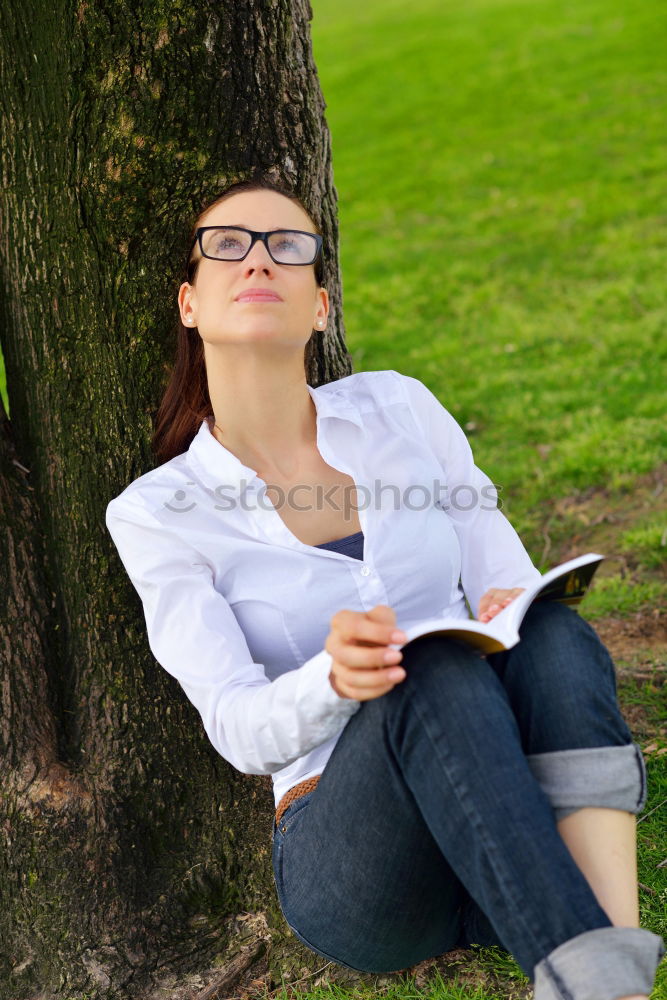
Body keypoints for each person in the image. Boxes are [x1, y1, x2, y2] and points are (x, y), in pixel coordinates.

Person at [105, 177, 664, 999]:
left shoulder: (397, 409)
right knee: (425, 670)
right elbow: (233, 723)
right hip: (358, 858)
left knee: (550, 628)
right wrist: (333, 681)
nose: (258, 260)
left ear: (319, 305)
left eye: (286, 246)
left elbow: (502, 570)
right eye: (229, 243)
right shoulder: (158, 513)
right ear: (189, 302)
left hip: (499, 795)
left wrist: (509, 604)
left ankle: (608, 970)